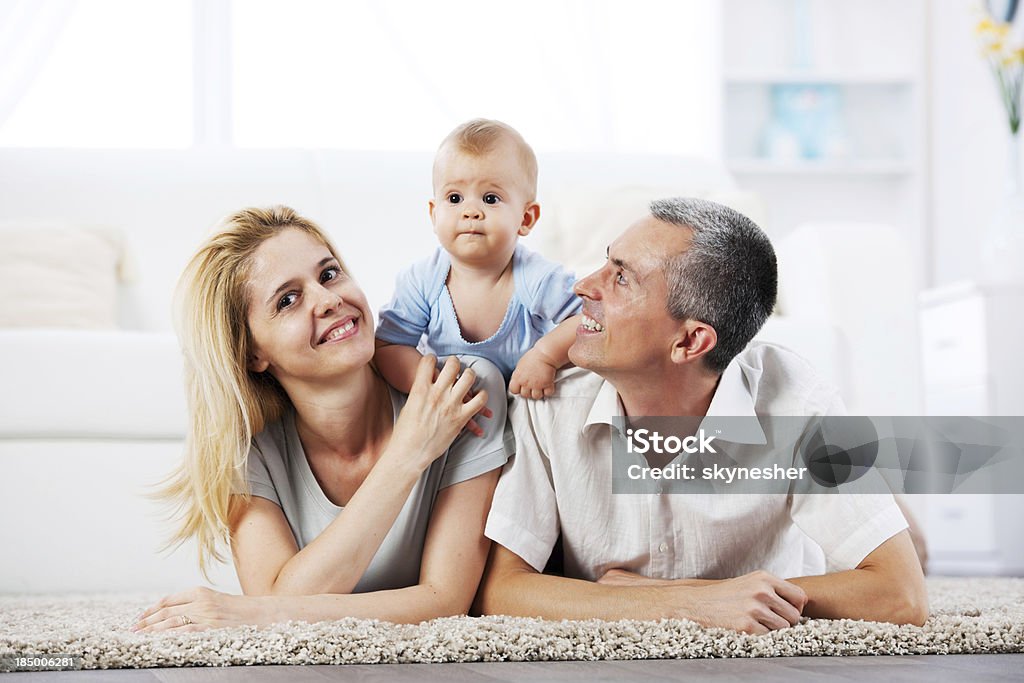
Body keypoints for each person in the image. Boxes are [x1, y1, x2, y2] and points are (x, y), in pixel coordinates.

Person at [476, 197, 929, 634]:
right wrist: (689, 603)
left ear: (690, 343)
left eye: (621, 279)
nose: (583, 286)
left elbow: (901, 595)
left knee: (915, 550)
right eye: (606, 262)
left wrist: (687, 594)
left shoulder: (796, 397)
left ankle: (887, 501)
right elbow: (499, 590)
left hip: (813, 538)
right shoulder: (549, 400)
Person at [134, 206, 508, 632]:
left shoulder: (459, 389)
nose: (329, 300)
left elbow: (446, 599)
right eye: (288, 300)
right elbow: (273, 597)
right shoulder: (247, 450)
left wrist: (261, 611)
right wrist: (409, 452)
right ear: (253, 352)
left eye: (329, 275)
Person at [375, 119, 582, 400]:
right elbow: (388, 347)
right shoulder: (421, 281)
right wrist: (435, 386)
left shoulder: (536, 278)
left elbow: (591, 318)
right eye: (455, 197)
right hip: (450, 406)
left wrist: (545, 355)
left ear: (526, 218)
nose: (471, 211)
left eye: (490, 198)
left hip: (523, 397)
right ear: (434, 215)